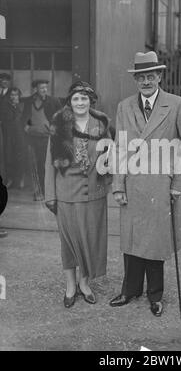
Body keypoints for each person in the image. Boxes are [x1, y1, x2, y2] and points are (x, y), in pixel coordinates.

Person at [109, 51, 181, 317]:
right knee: (133, 239)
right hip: (133, 184)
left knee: (156, 242)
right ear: (136, 80)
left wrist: (179, 182)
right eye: (141, 77)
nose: (146, 81)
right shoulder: (124, 106)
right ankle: (130, 290)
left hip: (161, 185)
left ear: (159, 76)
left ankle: (155, 295)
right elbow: (120, 147)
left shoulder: (177, 104)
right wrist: (118, 186)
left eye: (151, 76)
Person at [45, 81, 113, 308]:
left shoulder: (101, 123)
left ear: (90, 100)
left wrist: (110, 179)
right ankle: (70, 286)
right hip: (66, 192)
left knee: (89, 240)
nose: (80, 102)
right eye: (76, 98)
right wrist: (50, 194)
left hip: (94, 192)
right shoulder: (59, 124)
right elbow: (48, 162)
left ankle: (84, 284)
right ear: (70, 102)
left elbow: (111, 156)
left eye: (84, 98)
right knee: (69, 241)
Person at [22, 80, 61, 200]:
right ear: (36, 89)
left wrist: (54, 128)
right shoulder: (29, 101)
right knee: (35, 165)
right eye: (41, 88)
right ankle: (39, 191)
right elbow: (25, 116)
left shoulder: (53, 101)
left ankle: (48, 191)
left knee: (46, 165)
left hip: (48, 139)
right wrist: (27, 126)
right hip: (32, 139)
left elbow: (61, 116)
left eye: (45, 87)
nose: (44, 90)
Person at [1, 87, 27, 189]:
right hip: (9, 135)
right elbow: (6, 120)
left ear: (19, 96)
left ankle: (20, 179)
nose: (13, 97)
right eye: (11, 95)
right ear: (8, 96)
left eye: (16, 95)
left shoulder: (23, 105)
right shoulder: (4, 106)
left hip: (21, 135)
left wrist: (17, 106)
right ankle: (10, 179)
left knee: (20, 156)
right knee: (9, 156)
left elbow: (25, 119)